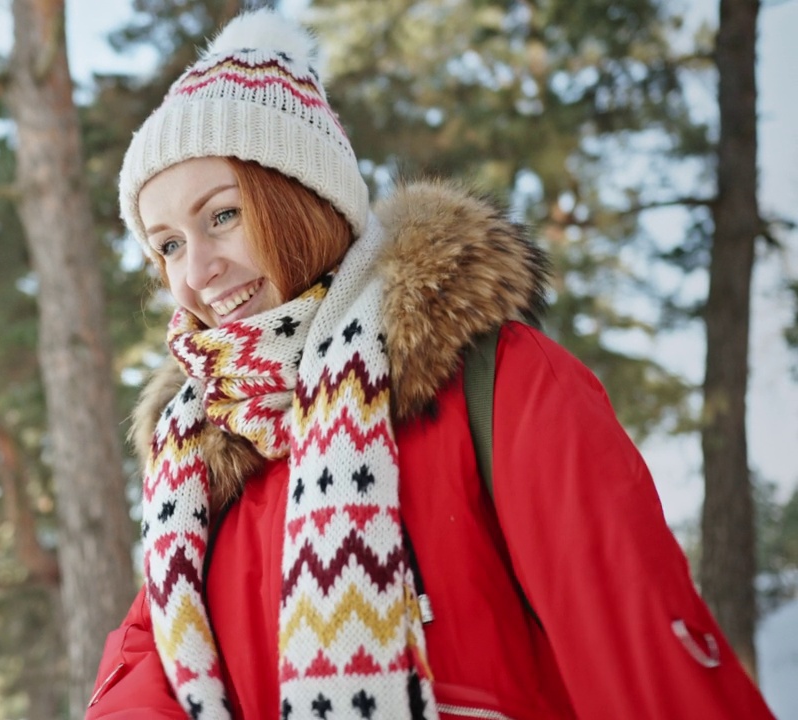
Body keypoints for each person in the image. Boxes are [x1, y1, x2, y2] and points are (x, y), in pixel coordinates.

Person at [85, 9, 774, 720]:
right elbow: (146, 674)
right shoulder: (197, 471)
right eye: (166, 245)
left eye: (222, 216)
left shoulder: (498, 384)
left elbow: (639, 655)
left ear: (303, 200)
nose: (196, 270)